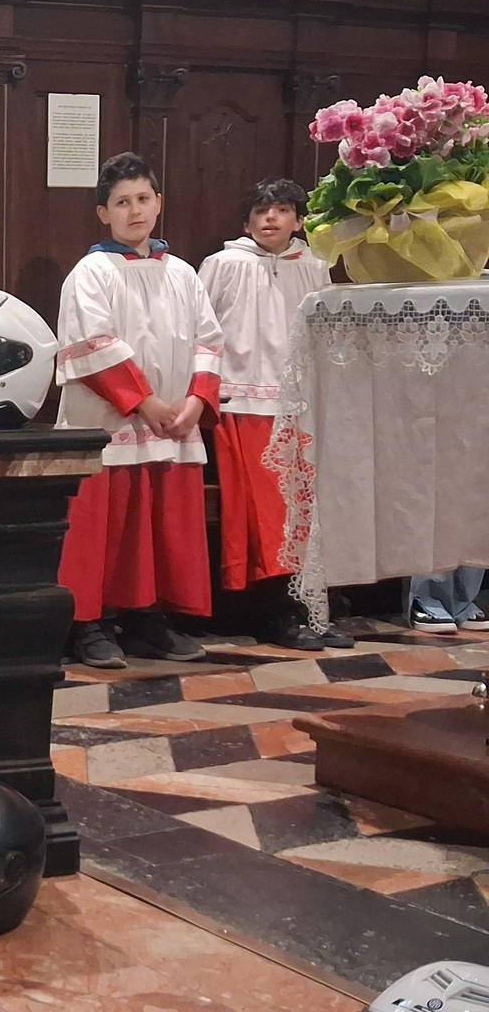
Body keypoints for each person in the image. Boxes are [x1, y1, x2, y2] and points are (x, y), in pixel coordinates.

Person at [54, 153, 222, 668]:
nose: (135, 211)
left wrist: (196, 400)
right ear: (103, 213)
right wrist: (144, 402)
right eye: (122, 202)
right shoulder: (91, 273)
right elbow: (93, 345)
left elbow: (209, 341)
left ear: (159, 203)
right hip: (110, 424)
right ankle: (89, 625)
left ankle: (148, 619)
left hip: (172, 424)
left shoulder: (183, 273)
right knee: (103, 530)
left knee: (157, 526)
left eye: (143, 199)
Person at [198, 178, 347, 651]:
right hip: (242, 404)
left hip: (300, 405)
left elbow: (326, 335)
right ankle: (273, 611)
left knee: (306, 510)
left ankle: (309, 607)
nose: (270, 218)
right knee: (264, 513)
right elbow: (200, 331)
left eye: (281, 209)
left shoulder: (314, 267)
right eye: (261, 210)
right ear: (246, 222)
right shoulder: (223, 265)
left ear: (299, 220)